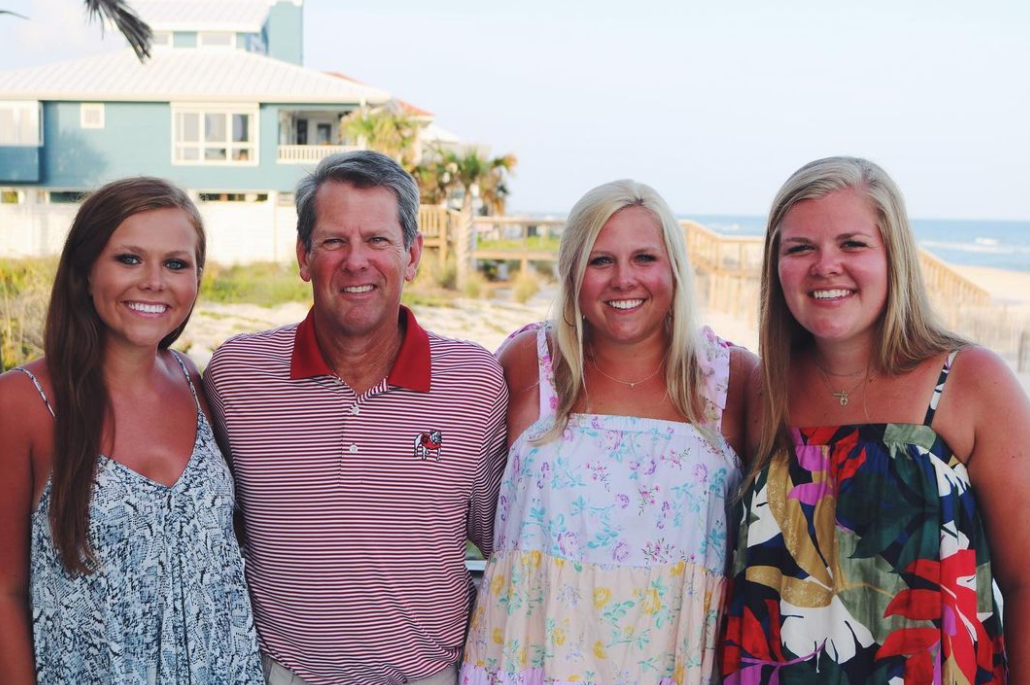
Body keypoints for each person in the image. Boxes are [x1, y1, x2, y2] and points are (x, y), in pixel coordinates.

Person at [203, 150, 508, 685]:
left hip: (428, 676)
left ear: (412, 256)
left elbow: (503, 541)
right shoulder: (237, 375)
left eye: (378, 240)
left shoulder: (474, 382)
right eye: (334, 241)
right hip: (281, 674)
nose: (356, 261)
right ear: (303, 256)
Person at [722, 156, 1030, 683]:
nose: (825, 266)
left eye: (852, 244)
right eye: (801, 248)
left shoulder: (968, 381)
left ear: (894, 257)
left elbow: (1025, 581)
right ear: (777, 266)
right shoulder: (760, 389)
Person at [461, 179, 756, 685]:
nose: (624, 279)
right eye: (601, 261)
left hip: (677, 661)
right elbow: (466, 502)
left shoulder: (731, 378)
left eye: (644, 258)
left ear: (675, 270)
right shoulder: (527, 363)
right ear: (572, 273)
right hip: (528, 657)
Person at [0, 177, 263, 684]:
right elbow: (4, 590)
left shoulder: (192, 379)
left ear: (196, 279)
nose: (154, 281)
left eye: (175, 263)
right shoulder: (21, 402)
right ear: (83, 271)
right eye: (128, 259)